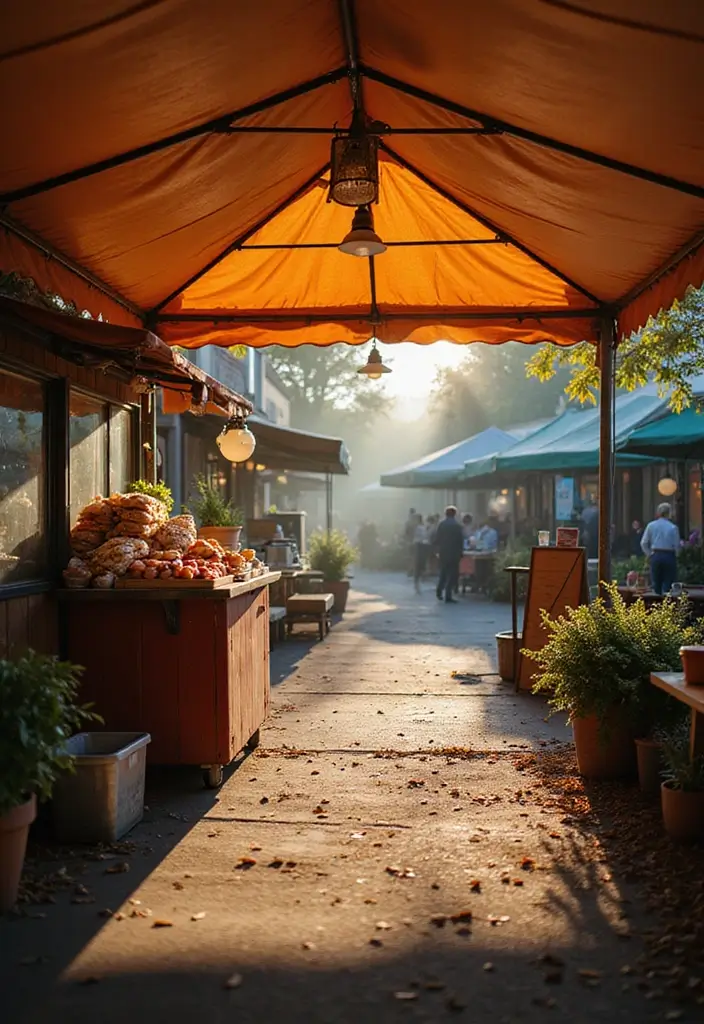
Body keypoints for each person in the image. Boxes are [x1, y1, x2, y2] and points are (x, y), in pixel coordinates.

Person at [640, 503, 681, 596]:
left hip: (656, 554)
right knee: (668, 582)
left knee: (656, 582)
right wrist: (677, 555)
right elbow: (677, 545)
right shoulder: (673, 527)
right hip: (669, 555)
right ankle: (666, 605)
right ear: (669, 513)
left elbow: (643, 543)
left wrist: (649, 554)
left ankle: (656, 603)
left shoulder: (651, 525)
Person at [435, 505, 464, 604]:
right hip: (454, 553)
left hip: (443, 552)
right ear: (454, 514)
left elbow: (437, 539)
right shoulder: (457, 526)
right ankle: (448, 595)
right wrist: (461, 552)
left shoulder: (441, 525)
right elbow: (460, 540)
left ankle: (439, 590)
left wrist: (438, 550)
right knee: (452, 574)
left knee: (443, 572)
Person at [412, 513, 429, 593]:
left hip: (419, 546)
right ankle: (418, 579)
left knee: (418, 564)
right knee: (419, 564)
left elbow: (421, 537)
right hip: (421, 546)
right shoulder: (422, 527)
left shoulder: (419, 528)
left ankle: (418, 580)